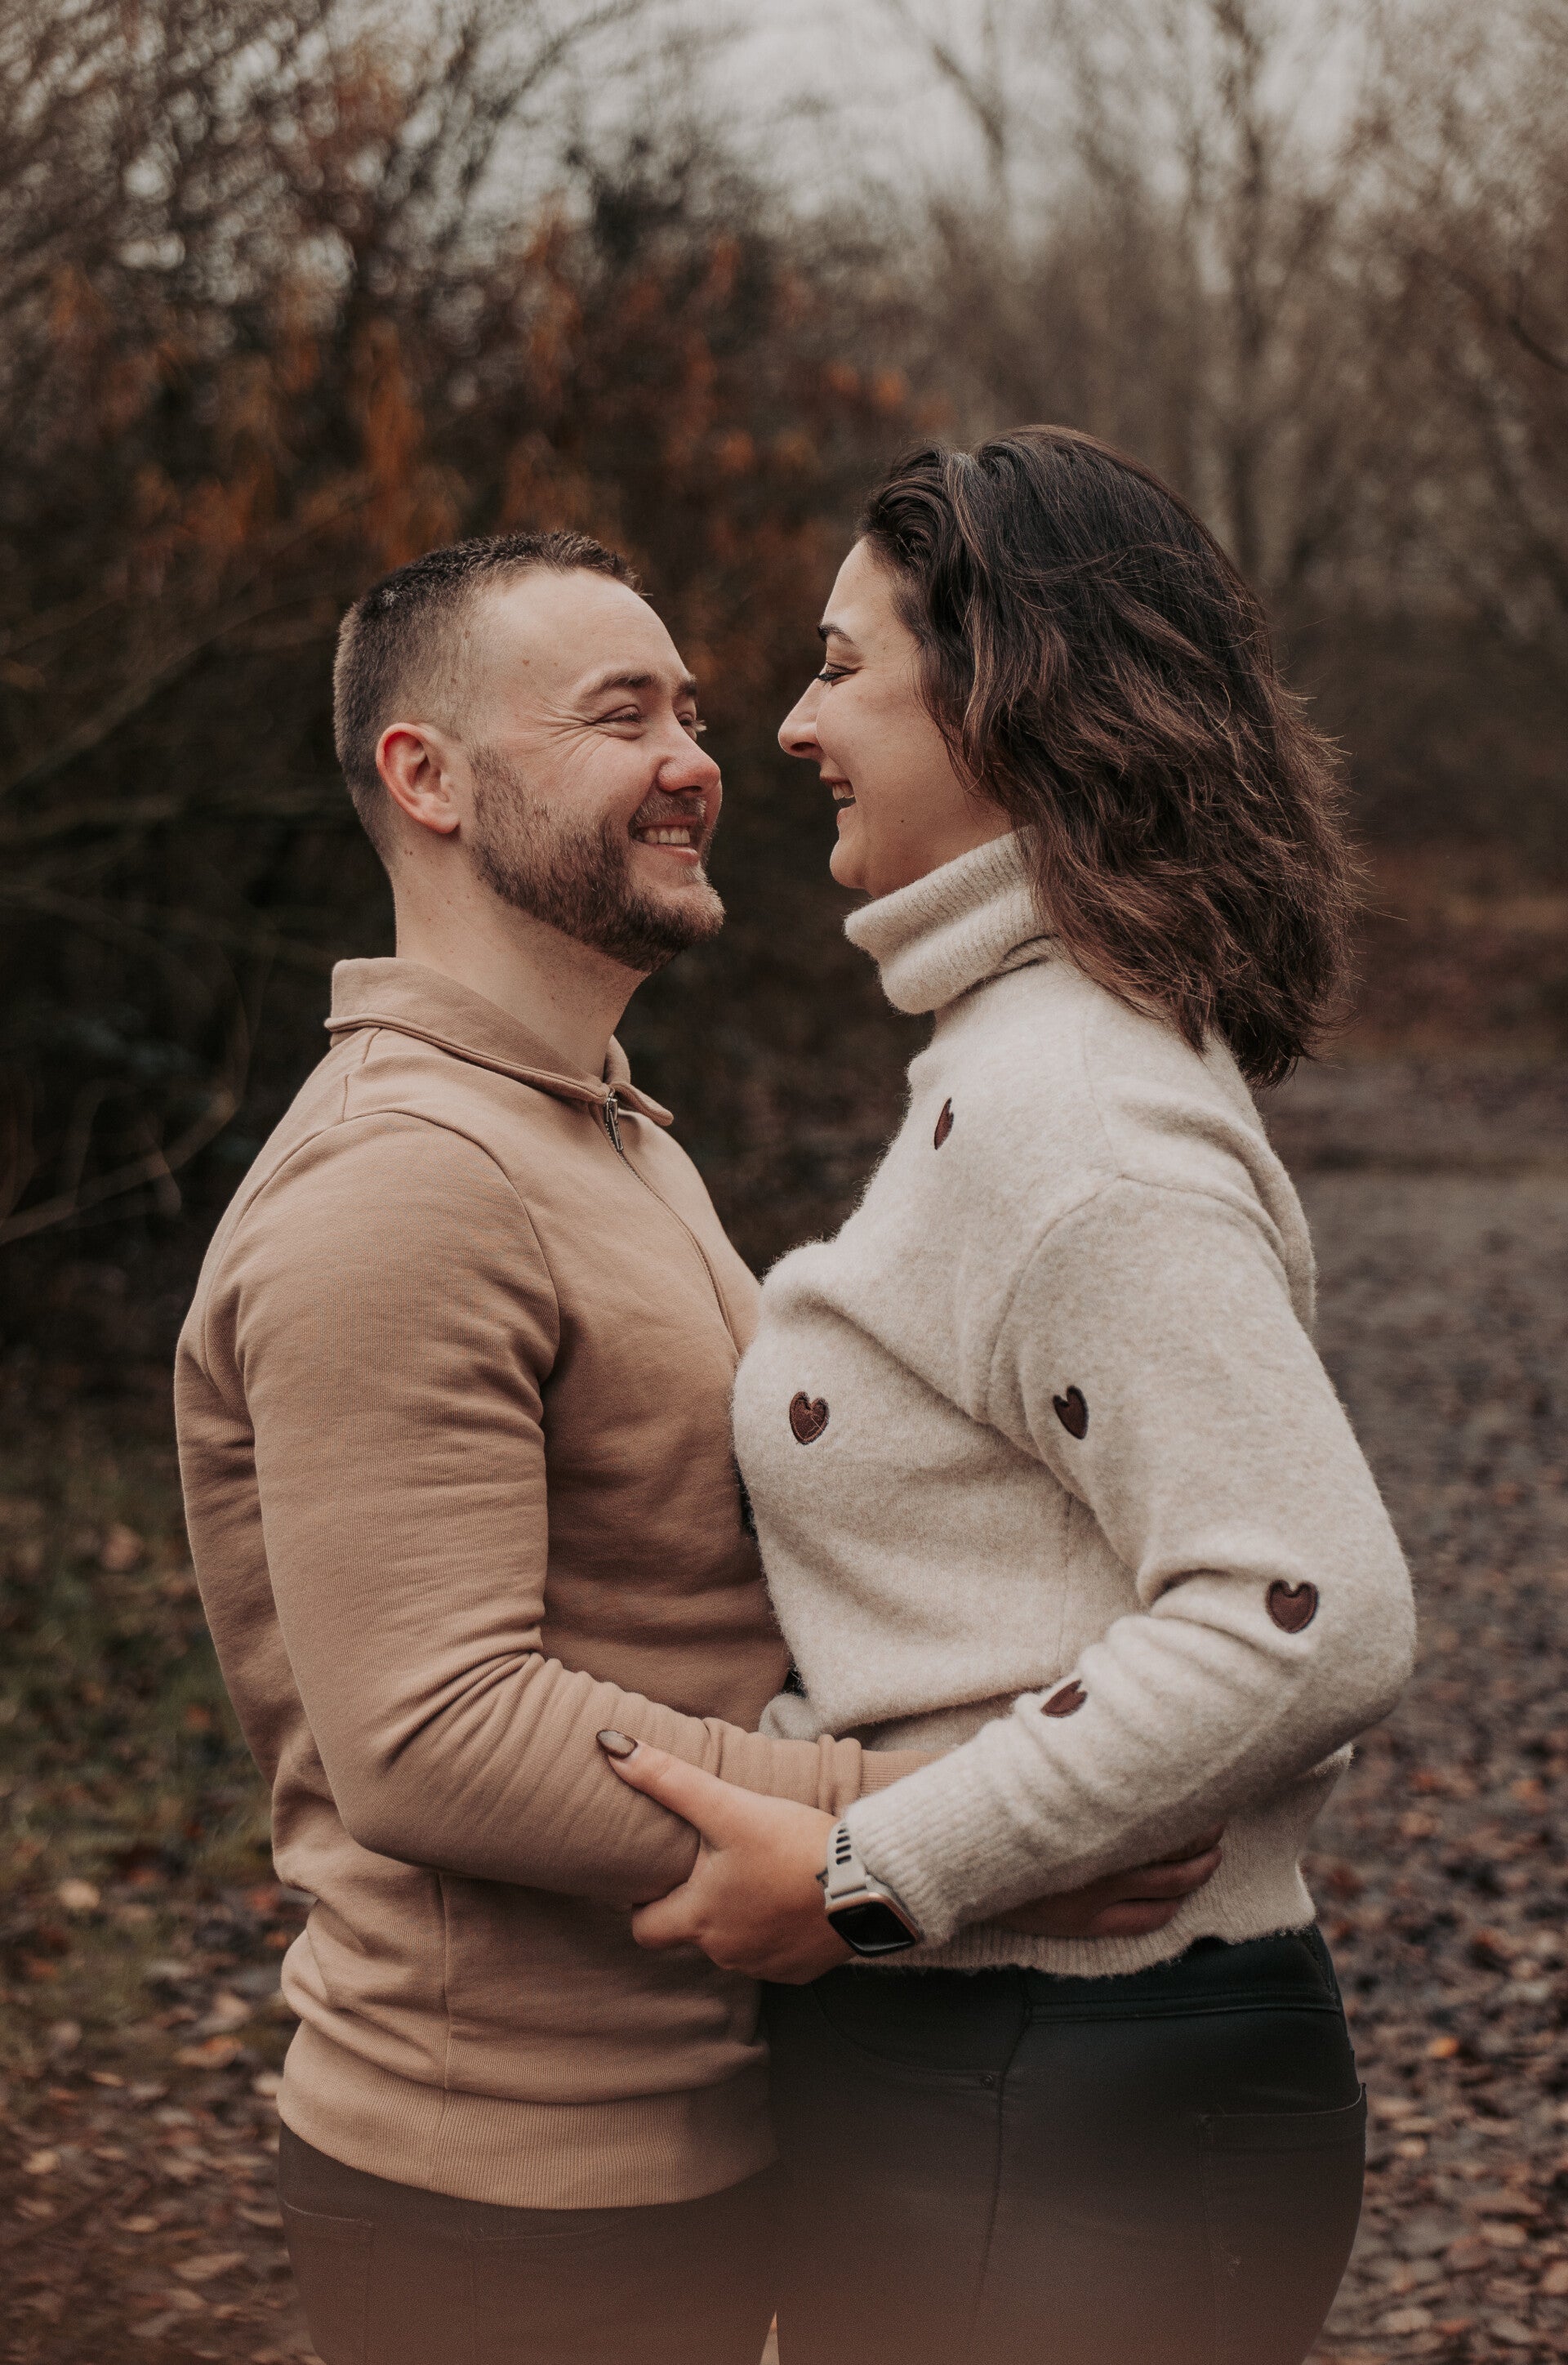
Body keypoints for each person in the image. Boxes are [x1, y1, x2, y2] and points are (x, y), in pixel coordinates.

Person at [174, 527, 1224, 2365]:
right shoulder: (401, 1184)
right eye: (620, 716)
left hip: (712, 2132)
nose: (695, 762)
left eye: (693, 713)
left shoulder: (601, 1130)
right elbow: (430, 1735)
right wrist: (942, 1828)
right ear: (427, 777)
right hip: (508, 2199)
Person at [600, 429, 1418, 2365]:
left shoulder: (1071, 1103)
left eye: (839, 666)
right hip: (1017, 2071)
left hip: (1060, 2084)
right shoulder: (1027, 1051)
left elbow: (1308, 1607)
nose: (793, 725)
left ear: (1003, 692)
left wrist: (873, 1872)